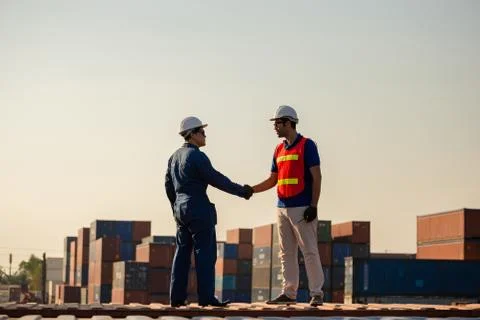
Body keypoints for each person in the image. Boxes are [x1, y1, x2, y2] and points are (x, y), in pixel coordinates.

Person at [165, 116, 254, 307]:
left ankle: (177, 298)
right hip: (198, 208)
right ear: (193, 134)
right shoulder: (197, 156)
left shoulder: (173, 157)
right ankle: (206, 298)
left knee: (181, 254)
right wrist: (241, 191)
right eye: (202, 131)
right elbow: (216, 179)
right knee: (205, 253)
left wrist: (176, 206)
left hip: (181, 211)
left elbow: (168, 185)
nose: (205, 135)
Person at [251, 105, 324, 306]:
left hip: (302, 207)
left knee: (309, 250)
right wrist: (251, 190)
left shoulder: (307, 145)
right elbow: (272, 180)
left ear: (288, 123)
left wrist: (314, 205)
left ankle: (316, 293)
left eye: (277, 123)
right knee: (286, 252)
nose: (275, 127)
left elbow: (316, 177)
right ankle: (289, 292)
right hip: (281, 207)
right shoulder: (278, 149)